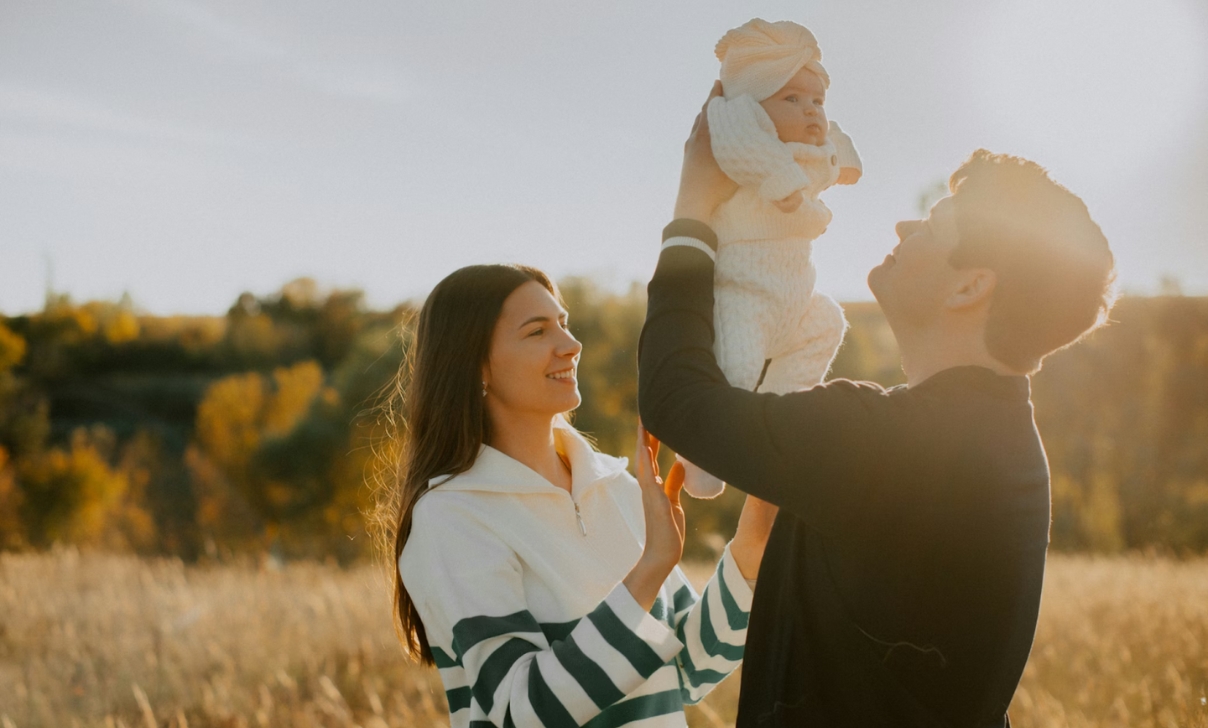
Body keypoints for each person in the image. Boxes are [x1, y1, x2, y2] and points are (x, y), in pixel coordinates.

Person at [638, 84, 1116, 727]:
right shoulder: (999, 443)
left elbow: (675, 398)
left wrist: (694, 206)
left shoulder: (886, 439)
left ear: (971, 286)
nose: (903, 225)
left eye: (934, 223)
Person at [382, 263, 777, 727]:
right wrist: (652, 566)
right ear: (476, 365)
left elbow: (690, 668)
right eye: (537, 331)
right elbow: (520, 713)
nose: (571, 345)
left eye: (564, 324)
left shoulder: (619, 490)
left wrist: (753, 540)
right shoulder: (453, 516)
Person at [679, 18, 862, 499]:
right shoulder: (743, 124)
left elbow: (839, 149)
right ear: (755, 101)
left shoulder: (809, 142)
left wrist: (842, 157)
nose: (811, 112)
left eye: (817, 100)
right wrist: (782, 182)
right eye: (792, 99)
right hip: (745, 293)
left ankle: (777, 421)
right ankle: (701, 454)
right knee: (733, 369)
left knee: (826, 322)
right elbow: (739, 142)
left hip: (794, 296)